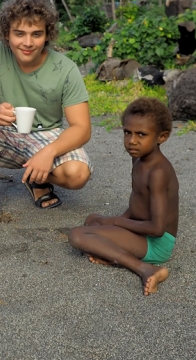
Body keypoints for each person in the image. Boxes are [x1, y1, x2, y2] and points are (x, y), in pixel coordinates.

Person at [0, 0, 92, 225]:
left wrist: (48, 152)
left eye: (36, 34)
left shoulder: (66, 68)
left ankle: (37, 180)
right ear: (6, 34)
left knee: (78, 175)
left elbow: (82, 128)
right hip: (6, 129)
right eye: (19, 33)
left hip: (48, 134)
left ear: (47, 35)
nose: (28, 43)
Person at [68, 97, 179, 296]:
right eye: (127, 132)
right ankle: (112, 254)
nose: (132, 140)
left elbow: (157, 228)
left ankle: (146, 269)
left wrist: (116, 222)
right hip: (141, 230)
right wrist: (115, 222)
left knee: (78, 235)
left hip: (157, 243)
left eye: (141, 134)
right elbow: (138, 201)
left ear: (162, 137)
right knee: (92, 220)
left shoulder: (158, 172)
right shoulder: (138, 159)